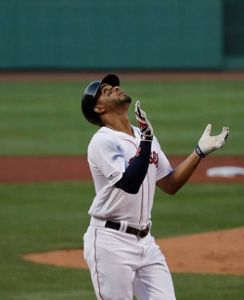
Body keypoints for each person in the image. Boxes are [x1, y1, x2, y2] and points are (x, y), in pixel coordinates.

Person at [81, 74, 229, 300]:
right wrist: (147, 140)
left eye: (114, 86)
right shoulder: (103, 141)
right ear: (99, 108)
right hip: (110, 242)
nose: (114, 88)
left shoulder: (143, 135)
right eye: (105, 90)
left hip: (145, 242)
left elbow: (170, 184)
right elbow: (129, 183)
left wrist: (199, 152)